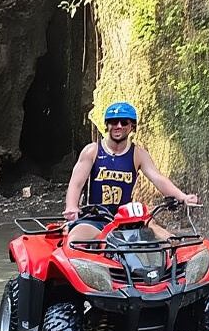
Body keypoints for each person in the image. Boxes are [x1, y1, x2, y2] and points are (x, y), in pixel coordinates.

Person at [62, 101, 199, 242]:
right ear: (107, 125)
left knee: (159, 231)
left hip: (126, 217)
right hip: (95, 216)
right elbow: (76, 184)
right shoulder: (92, 151)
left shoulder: (138, 154)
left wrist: (183, 197)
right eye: (114, 122)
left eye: (124, 122)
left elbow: (158, 178)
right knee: (75, 239)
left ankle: (177, 253)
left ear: (132, 126)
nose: (118, 126)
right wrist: (72, 207)